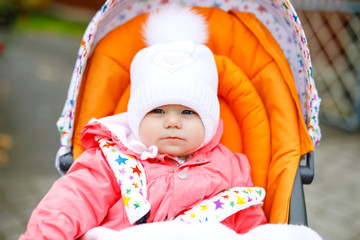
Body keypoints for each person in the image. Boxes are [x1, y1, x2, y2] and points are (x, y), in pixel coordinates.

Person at [19, 7, 267, 239]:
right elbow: (74, 199)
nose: (172, 122)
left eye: (188, 112)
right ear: (137, 118)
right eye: (158, 111)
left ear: (210, 121)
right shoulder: (112, 161)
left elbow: (249, 221)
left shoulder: (230, 167)